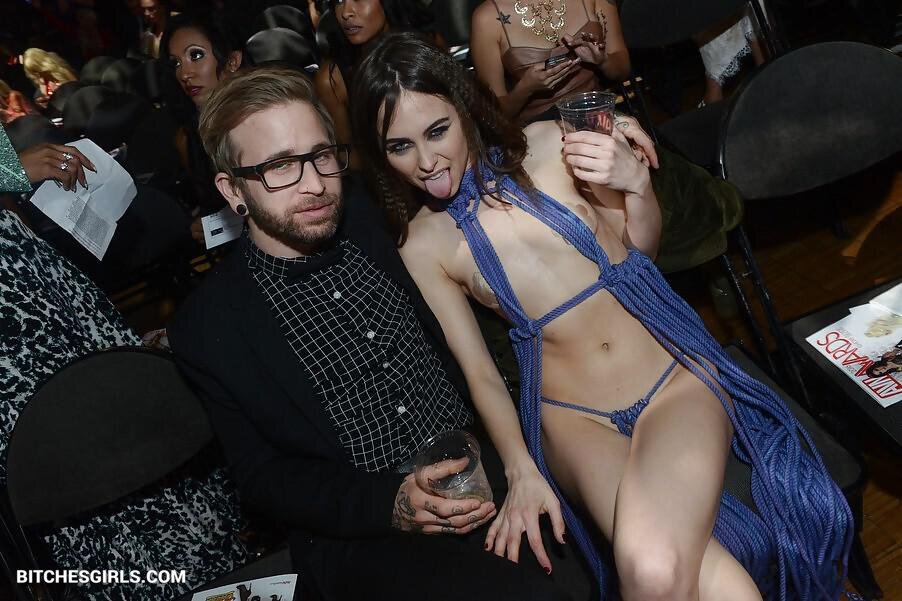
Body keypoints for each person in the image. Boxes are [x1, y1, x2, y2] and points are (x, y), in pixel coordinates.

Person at [351, 33, 854, 601]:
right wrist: (520, 469)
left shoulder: (551, 144)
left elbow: (640, 253)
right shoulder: (422, 244)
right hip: (572, 419)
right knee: (676, 574)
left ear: (463, 108)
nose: (426, 161)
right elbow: (480, 373)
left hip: (671, 381)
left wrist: (638, 186)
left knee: (654, 568)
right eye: (399, 146)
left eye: (437, 130)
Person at [168, 65, 576, 601]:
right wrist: (392, 503)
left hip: (488, 463)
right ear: (232, 190)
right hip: (371, 531)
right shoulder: (210, 326)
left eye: (320, 155)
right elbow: (262, 477)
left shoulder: (374, 212)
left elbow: (468, 168)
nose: (314, 183)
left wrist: (586, 140)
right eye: (280, 167)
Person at [0, 126, 247, 601]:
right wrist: (9, 168)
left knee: (134, 430)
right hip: (16, 327)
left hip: (30, 269)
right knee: (76, 473)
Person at [470, 0, 629, 124]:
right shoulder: (486, 18)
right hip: (539, 128)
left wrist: (603, 61)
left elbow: (623, 71)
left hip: (597, 113)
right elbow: (493, 116)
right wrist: (525, 89)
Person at [314, 0, 438, 158]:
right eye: (339, 1)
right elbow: (349, 156)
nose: (345, 13)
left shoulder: (427, 46)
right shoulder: (332, 81)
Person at [162, 9, 242, 242]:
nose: (184, 74)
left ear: (233, 60)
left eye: (195, 55)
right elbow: (213, 205)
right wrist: (211, 225)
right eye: (176, 63)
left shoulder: (272, 115)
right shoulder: (187, 139)